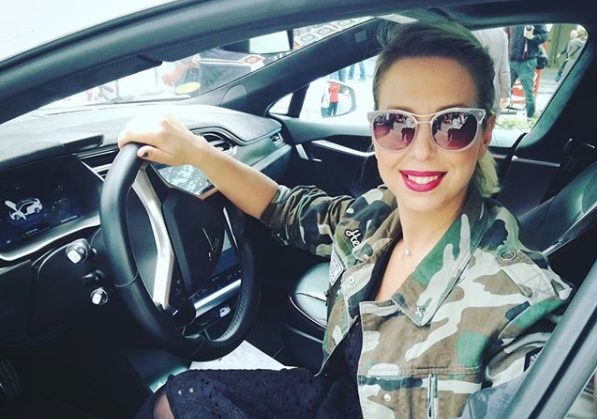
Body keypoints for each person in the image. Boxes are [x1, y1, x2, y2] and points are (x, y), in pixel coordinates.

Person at [119, 21, 571, 419]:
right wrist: (197, 153)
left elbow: (557, 386)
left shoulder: (520, 301)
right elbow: (283, 208)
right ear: (375, 130)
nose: (421, 150)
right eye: (397, 123)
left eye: (453, 125)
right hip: (336, 398)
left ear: (485, 132)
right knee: (177, 399)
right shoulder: (374, 215)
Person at [505, 24, 549, 118]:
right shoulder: (512, 18)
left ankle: (529, 117)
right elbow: (506, 34)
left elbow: (545, 36)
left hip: (527, 60)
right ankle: (495, 115)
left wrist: (532, 37)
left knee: (528, 92)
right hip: (512, 59)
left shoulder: (535, 18)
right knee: (504, 89)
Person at [474, 28, 511, 112]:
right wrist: (505, 94)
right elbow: (504, 70)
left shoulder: (465, 31)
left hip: (470, 92)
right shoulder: (501, 35)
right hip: (492, 92)